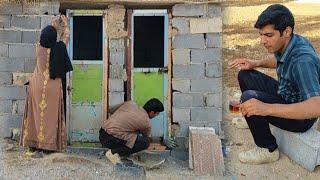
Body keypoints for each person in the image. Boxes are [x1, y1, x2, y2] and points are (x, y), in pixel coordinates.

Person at [228, 4, 320, 164]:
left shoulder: (302, 61)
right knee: (245, 75)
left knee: (249, 97)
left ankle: (267, 149)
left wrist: (265, 108)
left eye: (269, 35)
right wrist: (254, 63)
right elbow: (278, 59)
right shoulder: (290, 42)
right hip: (287, 95)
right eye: (261, 35)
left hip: (301, 118)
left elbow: (315, 107)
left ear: (287, 31)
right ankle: (253, 117)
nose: (263, 41)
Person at [20, 15, 73, 156]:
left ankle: (33, 144)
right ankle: (48, 146)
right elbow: (66, 37)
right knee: (50, 118)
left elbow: (44, 37)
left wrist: (53, 26)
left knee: (35, 116)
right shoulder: (60, 48)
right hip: (53, 87)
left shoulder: (39, 49)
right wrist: (65, 25)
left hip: (36, 86)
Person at [99, 98, 164, 164]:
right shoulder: (146, 122)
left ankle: (117, 151)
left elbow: (110, 109)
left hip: (102, 133)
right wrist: (163, 140)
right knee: (145, 142)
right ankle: (113, 153)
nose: (156, 116)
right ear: (152, 112)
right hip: (110, 140)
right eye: (157, 114)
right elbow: (148, 138)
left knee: (132, 133)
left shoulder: (130, 104)